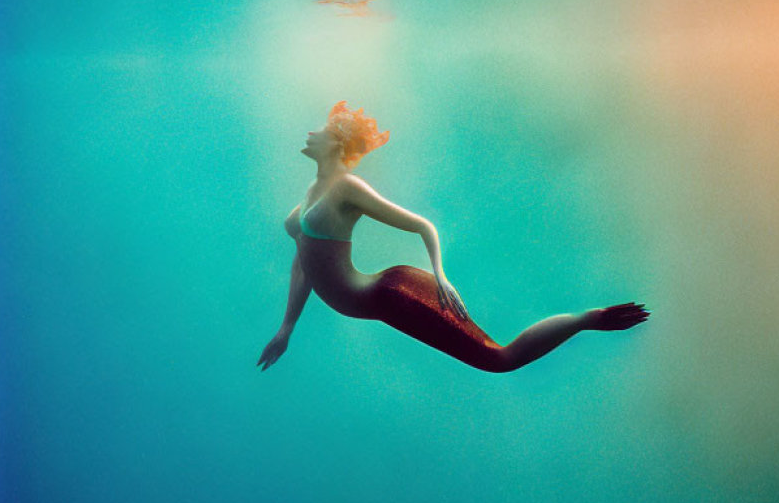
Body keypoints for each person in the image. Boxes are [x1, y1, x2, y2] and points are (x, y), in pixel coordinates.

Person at [257, 101, 649, 373]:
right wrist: (286, 328)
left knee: (500, 358)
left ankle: (587, 319)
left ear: (337, 143)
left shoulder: (347, 189)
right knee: (498, 358)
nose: (310, 133)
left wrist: (440, 275)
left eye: (321, 130)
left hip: (392, 296)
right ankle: (585, 320)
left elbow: (422, 226)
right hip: (382, 296)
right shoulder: (313, 194)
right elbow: (304, 262)